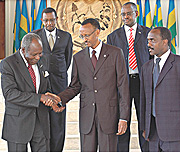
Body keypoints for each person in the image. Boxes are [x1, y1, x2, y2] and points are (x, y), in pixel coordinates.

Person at [49, 18, 130, 151]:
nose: (84, 39)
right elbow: (75, 86)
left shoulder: (115, 53)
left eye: (87, 35)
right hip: (87, 117)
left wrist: (124, 117)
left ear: (97, 32)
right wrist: (59, 99)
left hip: (109, 116)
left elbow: (123, 86)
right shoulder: (78, 58)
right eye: (82, 35)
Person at [0, 33, 63, 151]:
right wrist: (39, 98)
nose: (38, 57)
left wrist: (51, 100)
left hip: (41, 121)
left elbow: (45, 88)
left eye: (40, 53)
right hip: (18, 124)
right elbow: (10, 94)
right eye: (34, 54)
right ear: (23, 50)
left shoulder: (42, 60)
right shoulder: (8, 64)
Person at [107, 2, 150, 151]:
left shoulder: (148, 33)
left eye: (129, 13)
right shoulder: (113, 37)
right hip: (122, 84)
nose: (126, 17)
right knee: (122, 121)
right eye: (123, 14)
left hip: (142, 83)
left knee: (144, 121)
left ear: (136, 14)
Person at [32, 7, 73, 151]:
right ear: (42, 21)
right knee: (42, 123)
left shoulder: (66, 36)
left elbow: (67, 60)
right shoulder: (35, 36)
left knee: (58, 123)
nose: (49, 23)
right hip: (41, 85)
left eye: (52, 20)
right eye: (46, 20)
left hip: (59, 85)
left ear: (56, 19)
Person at [140, 27, 180, 152]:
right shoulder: (146, 67)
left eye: (153, 40)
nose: (149, 44)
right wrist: (144, 127)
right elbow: (143, 99)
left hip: (174, 131)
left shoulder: (178, 64)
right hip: (152, 132)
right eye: (148, 40)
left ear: (165, 42)